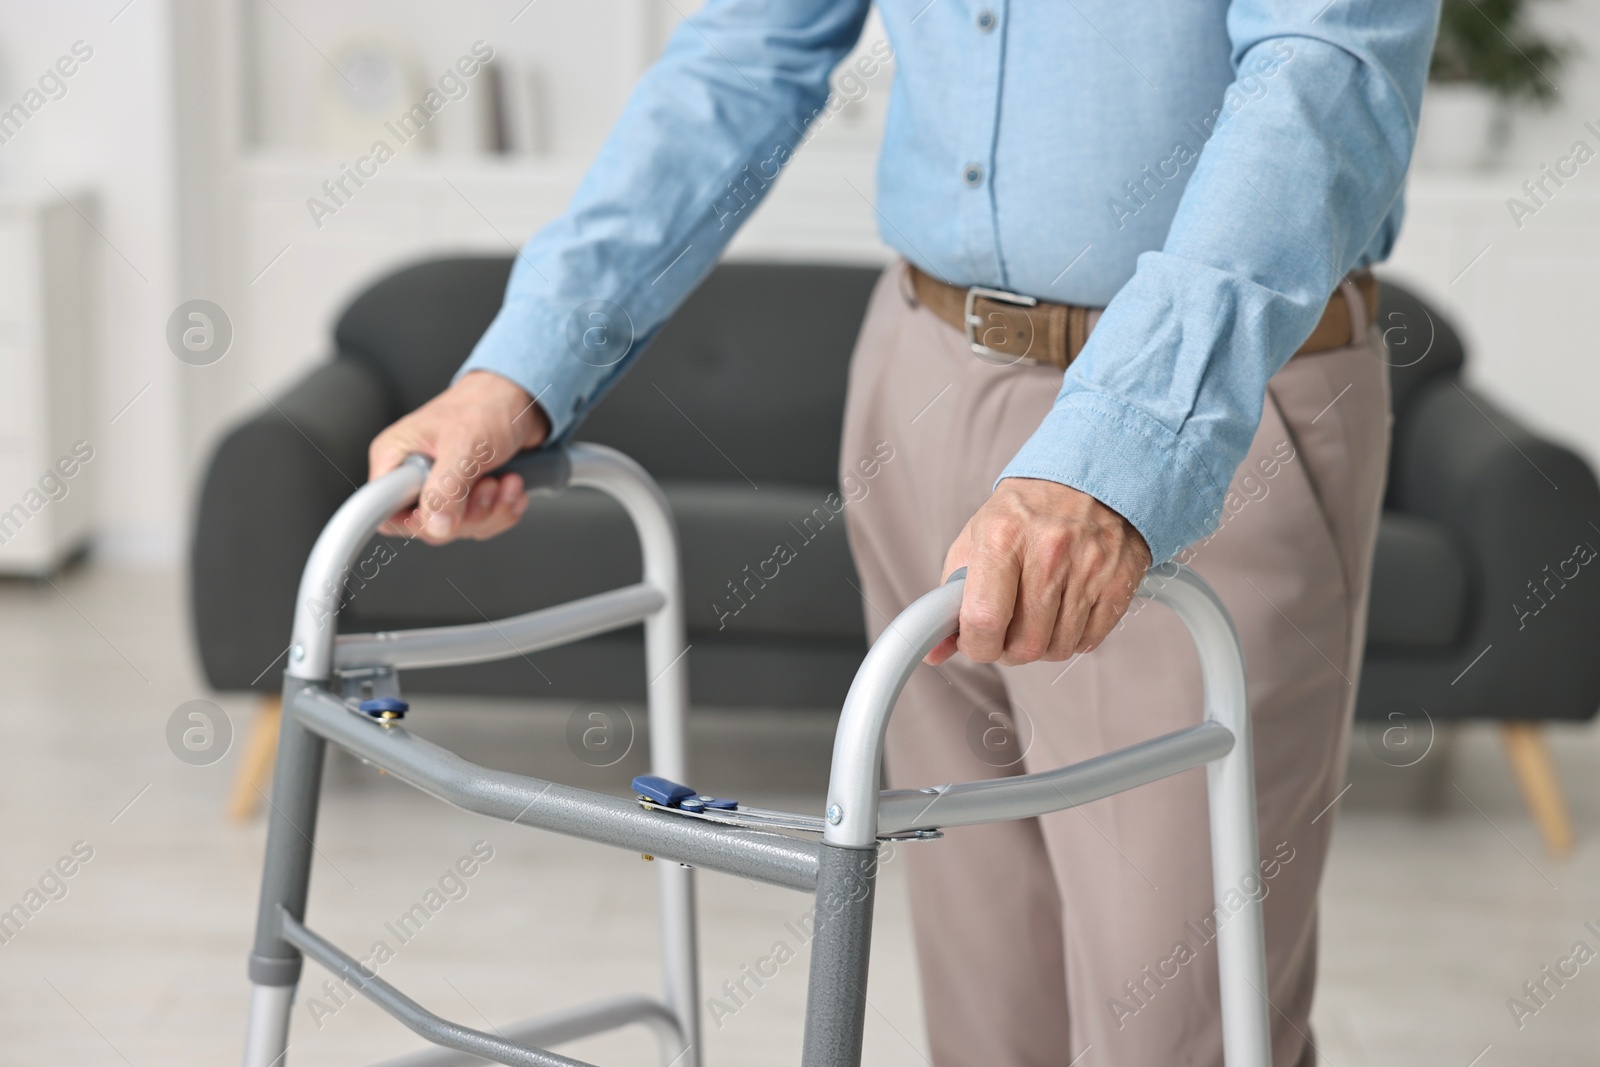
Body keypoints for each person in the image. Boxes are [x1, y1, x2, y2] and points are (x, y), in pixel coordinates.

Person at [368, 3, 1439, 1063]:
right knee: (982, 1004)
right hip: (921, 372)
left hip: (1196, 412)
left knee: (1178, 1026)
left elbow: (1323, 74)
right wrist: (524, 360)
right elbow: (748, 50)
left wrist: (1119, 447)